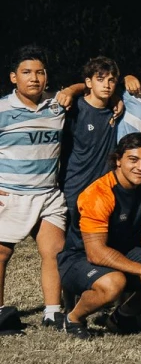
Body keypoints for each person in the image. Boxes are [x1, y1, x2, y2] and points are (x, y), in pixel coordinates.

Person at [56, 133, 141, 339]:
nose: (140, 168)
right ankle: (73, 318)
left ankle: (121, 317)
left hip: (124, 251)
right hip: (79, 258)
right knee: (113, 283)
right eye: (133, 160)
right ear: (118, 160)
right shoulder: (98, 194)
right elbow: (96, 253)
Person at [0, 45, 68, 332]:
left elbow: (84, 91)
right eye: (26, 72)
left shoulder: (57, 105)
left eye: (40, 72)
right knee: (2, 254)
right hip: (11, 194)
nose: (34, 78)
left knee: (54, 251)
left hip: (48, 194)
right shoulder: (2, 108)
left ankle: (53, 312)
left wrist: (75, 88)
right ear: (13, 77)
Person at [60, 57, 122, 215]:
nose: (106, 85)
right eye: (100, 79)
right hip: (74, 187)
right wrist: (70, 90)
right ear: (89, 82)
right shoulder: (74, 109)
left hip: (103, 191)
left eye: (111, 80)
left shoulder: (117, 110)